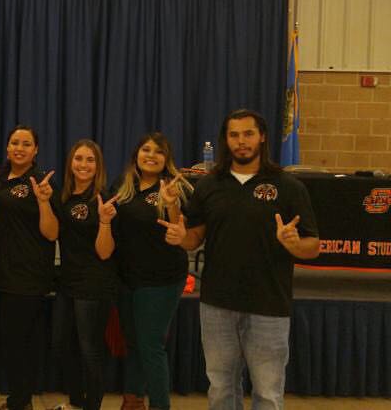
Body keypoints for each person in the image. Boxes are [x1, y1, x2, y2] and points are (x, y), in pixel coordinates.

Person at [165, 109, 319, 410]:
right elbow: (192, 238)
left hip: (269, 306)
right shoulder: (209, 185)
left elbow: (313, 246)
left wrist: (294, 243)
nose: (241, 141)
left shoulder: (289, 187)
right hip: (217, 305)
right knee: (221, 389)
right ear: (226, 140)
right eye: (234, 135)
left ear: (262, 137)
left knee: (268, 394)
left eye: (248, 134)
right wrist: (176, 226)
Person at [112, 132, 193, 410]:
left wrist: (169, 203)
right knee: (133, 343)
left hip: (161, 281)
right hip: (127, 279)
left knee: (150, 346)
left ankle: (160, 405)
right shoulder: (123, 187)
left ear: (166, 160)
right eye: (146, 149)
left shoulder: (175, 189)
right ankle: (132, 400)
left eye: (159, 152)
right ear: (136, 155)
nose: (151, 155)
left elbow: (179, 229)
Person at [0, 125, 60, 410]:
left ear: (36, 150)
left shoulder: (41, 183)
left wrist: (43, 202)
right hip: (1, 274)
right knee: (12, 342)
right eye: (14, 142)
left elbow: (52, 233)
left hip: (28, 276)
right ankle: (19, 399)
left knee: (19, 343)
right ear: (7, 147)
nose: (19, 148)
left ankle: (20, 402)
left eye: (26, 143)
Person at [52, 140, 119, 410]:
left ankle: (93, 405)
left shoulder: (104, 198)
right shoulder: (62, 196)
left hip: (94, 284)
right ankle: (76, 401)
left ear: (98, 166)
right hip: (66, 280)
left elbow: (105, 253)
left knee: (89, 349)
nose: (83, 164)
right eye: (78, 158)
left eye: (90, 160)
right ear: (70, 163)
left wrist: (104, 222)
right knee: (63, 344)